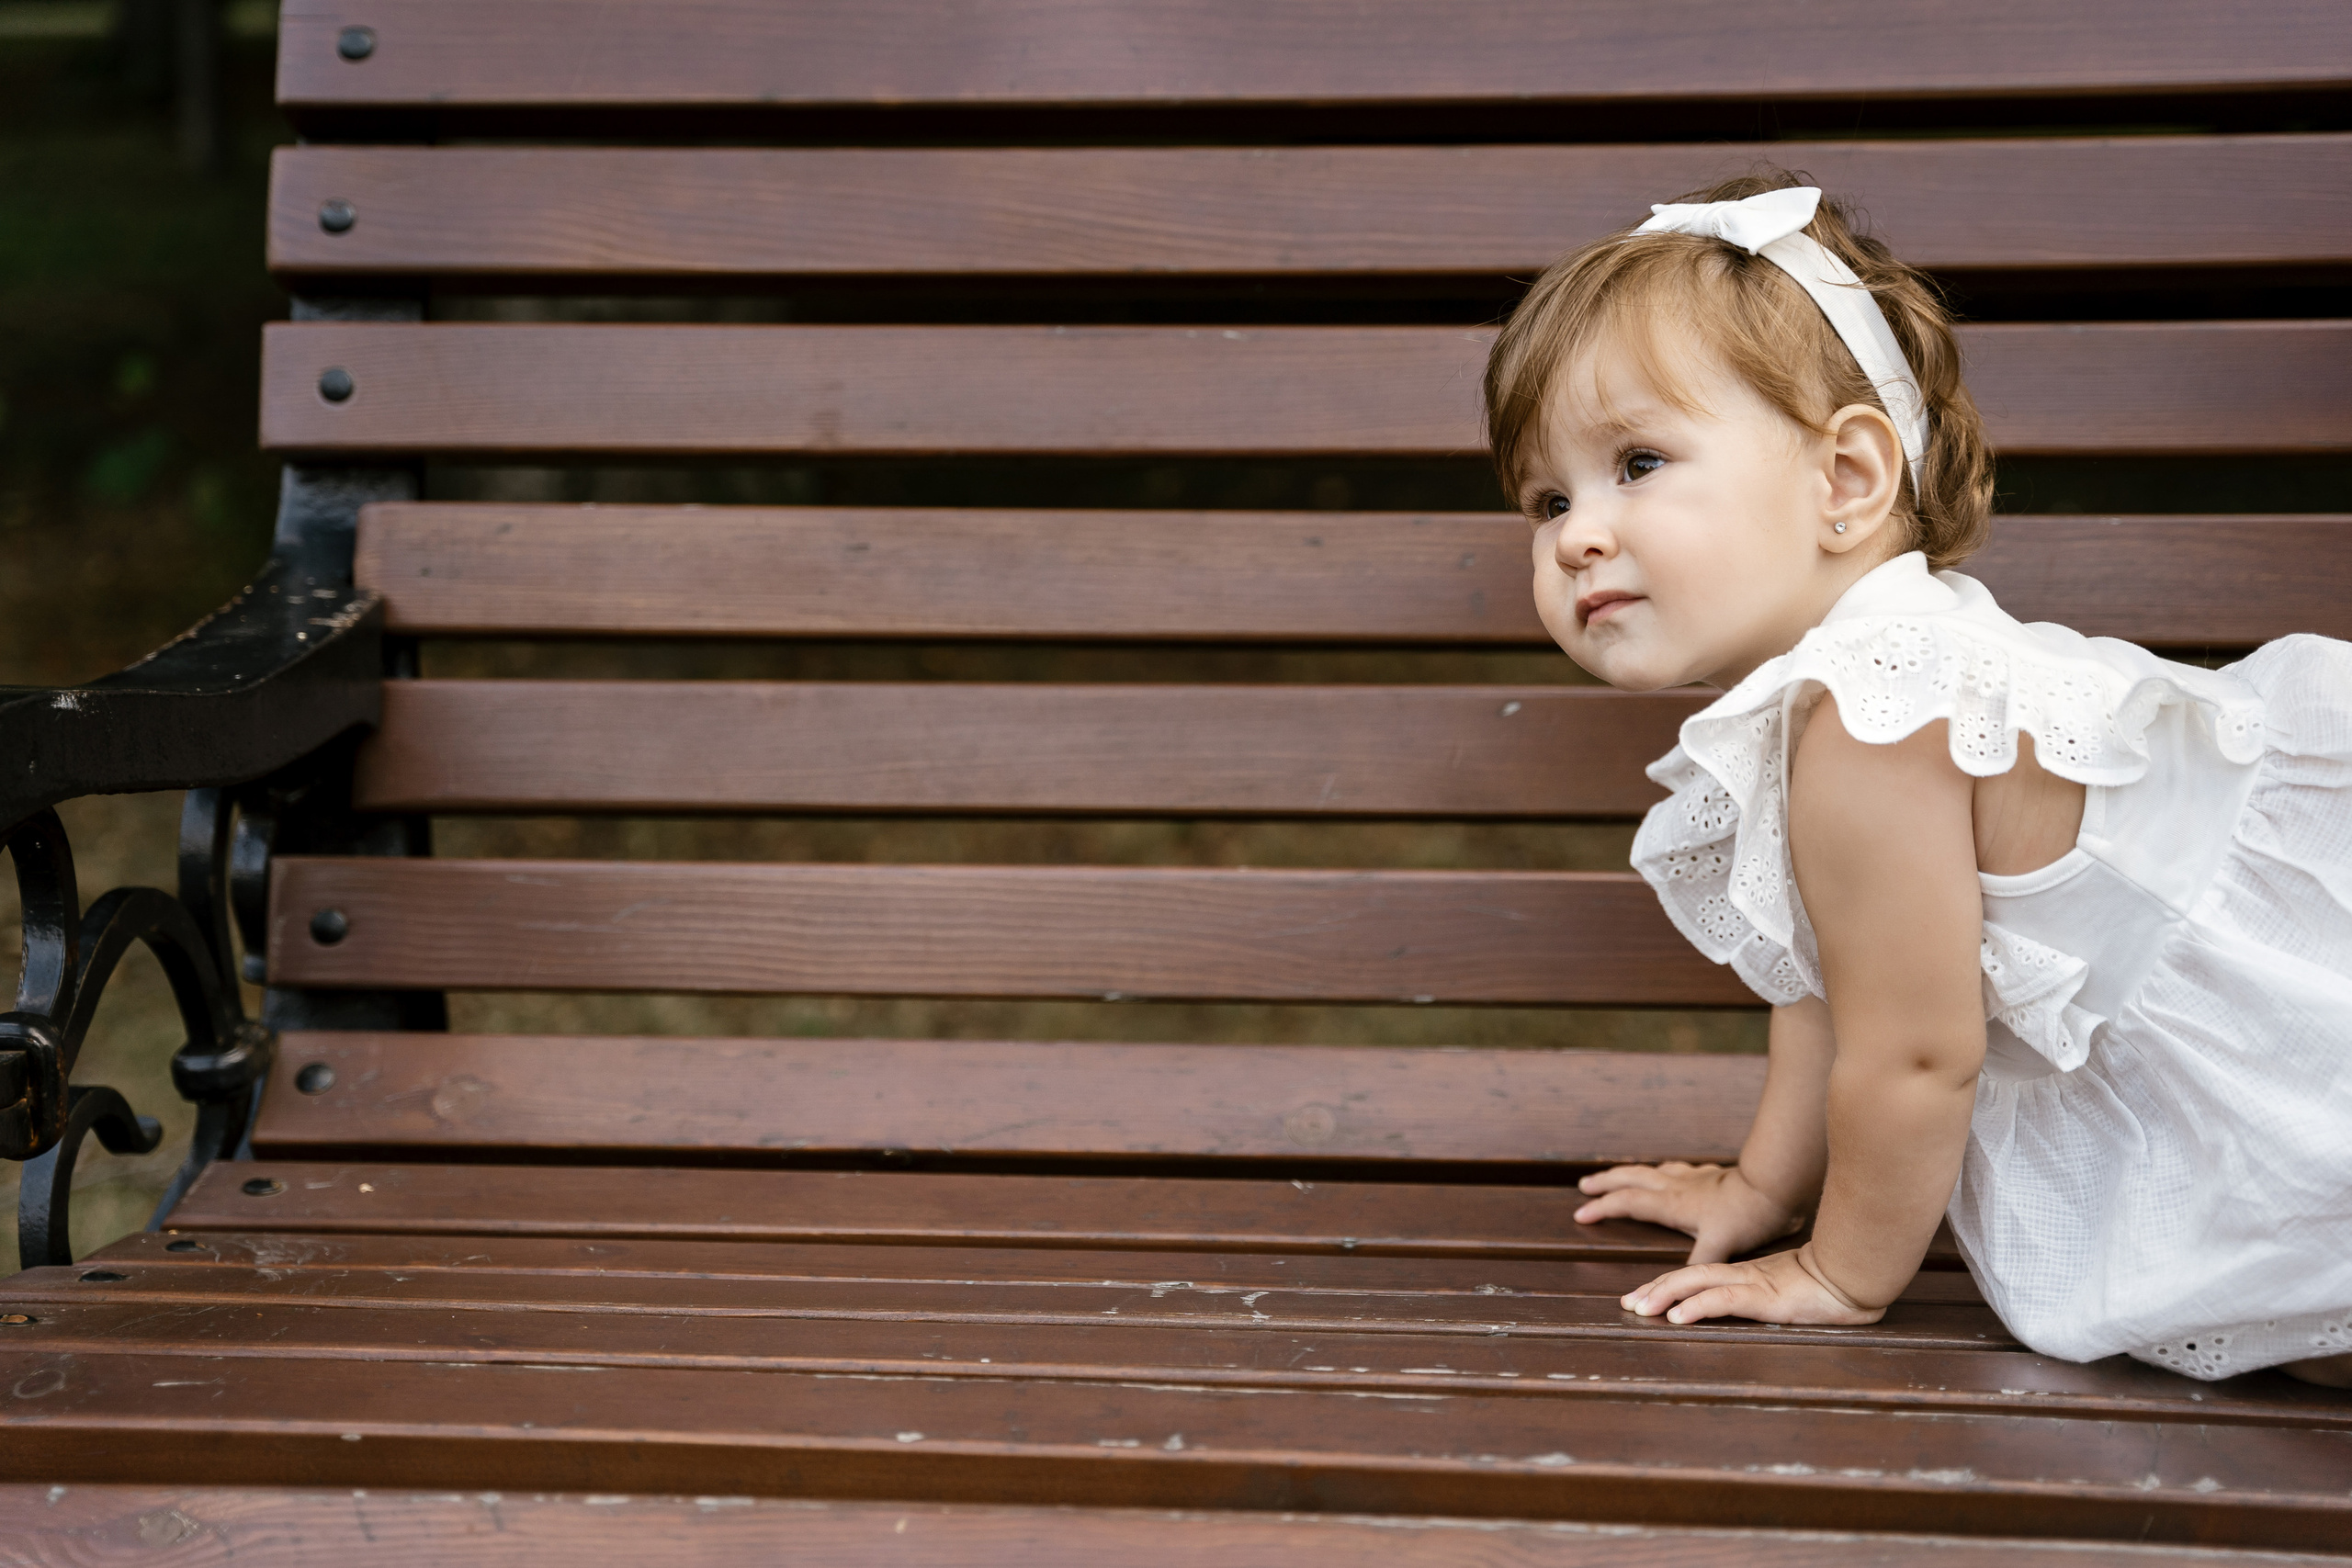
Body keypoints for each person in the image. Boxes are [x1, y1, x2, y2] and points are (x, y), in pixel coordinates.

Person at [1483, 172, 2352, 1386]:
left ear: (1846, 479)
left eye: (1637, 461)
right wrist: (1763, 1190)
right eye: (1547, 498)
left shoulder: (1876, 720)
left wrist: (1839, 1273)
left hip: (2296, 1053)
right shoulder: (1847, 693)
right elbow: (1831, 988)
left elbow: (1915, 1057)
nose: (1576, 534)